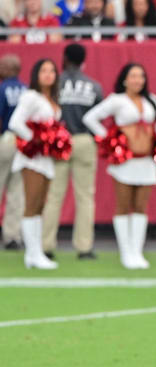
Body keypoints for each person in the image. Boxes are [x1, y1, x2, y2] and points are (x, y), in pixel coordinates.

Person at [83, 63, 156, 269]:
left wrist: (153, 134)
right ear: (124, 79)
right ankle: (125, 252)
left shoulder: (151, 100)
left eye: (141, 76)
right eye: (133, 76)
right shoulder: (117, 100)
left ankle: (137, 252)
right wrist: (110, 139)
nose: (137, 80)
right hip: (124, 161)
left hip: (146, 160)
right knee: (123, 205)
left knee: (141, 206)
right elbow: (90, 118)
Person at [9, 59, 72, 269]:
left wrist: (53, 144)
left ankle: (36, 253)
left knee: (40, 206)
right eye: (43, 70)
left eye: (52, 71)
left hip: (46, 159)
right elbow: (15, 122)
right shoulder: (30, 96)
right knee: (32, 204)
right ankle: (32, 254)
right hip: (32, 159)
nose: (48, 74)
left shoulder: (52, 98)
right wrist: (34, 142)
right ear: (36, 74)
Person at [42, 44, 104, 261]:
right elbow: (99, 116)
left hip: (59, 139)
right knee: (85, 196)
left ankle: (46, 246)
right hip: (84, 139)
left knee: (53, 195)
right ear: (83, 60)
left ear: (65, 58)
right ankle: (84, 247)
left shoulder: (54, 84)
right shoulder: (94, 86)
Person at [0, 54, 26, 251]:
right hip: (23, 141)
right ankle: (12, 236)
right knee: (17, 191)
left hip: (6, 138)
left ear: (9, 69)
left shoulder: (2, 88)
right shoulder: (26, 90)